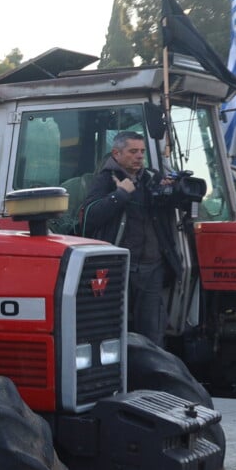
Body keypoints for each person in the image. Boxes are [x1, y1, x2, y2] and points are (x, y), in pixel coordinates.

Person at [81, 130, 178, 343]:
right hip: (119, 267)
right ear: (116, 153)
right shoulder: (105, 179)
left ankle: (153, 373)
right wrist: (120, 195)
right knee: (114, 330)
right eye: (133, 151)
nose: (139, 156)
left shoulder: (151, 178)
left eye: (142, 151)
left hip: (152, 267)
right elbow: (88, 218)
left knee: (153, 333)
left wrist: (171, 191)